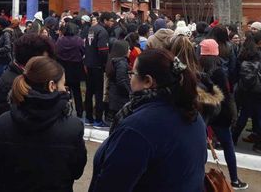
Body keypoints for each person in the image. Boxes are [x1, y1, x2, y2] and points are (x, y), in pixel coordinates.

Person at [89, 48, 207, 192]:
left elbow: (111, 185)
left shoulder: (137, 128)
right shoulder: (192, 114)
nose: (130, 78)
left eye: (132, 73)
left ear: (147, 81)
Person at [0, 56, 87, 191]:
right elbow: (77, 172)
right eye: (63, 85)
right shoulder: (73, 127)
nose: (65, 90)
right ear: (52, 86)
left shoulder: (3, 123)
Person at [198, 39, 248, 189]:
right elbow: (227, 94)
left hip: (203, 112)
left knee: (200, 146)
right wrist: (233, 114)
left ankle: (199, 177)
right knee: (228, 146)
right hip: (220, 114)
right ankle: (234, 180)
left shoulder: (198, 69)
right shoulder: (219, 71)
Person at [0, 33, 55, 117]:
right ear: (30, 61)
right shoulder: (9, 83)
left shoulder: (35, 76)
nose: (47, 63)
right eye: (44, 60)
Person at [84, 12, 112, 128]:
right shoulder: (102, 32)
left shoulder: (92, 29)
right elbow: (103, 50)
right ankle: (98, 119)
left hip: (88, 64)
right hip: (97, 65)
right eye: (110, 20)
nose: (112, 22)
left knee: (89, 92)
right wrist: (105, 63)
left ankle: (88, 117)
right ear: (105, 20)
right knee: (98, 93)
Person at [55, 21, 86, 118]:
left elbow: (56, 52)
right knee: (77, 92)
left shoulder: (60, 40)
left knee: (62, 90)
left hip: (63, 69)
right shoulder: (79, 40)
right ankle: (79, 112)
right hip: (76, 69)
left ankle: (63, 110)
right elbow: (83, 52)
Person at [105, 40, 131, 122]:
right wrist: (130, 92)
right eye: (128, 48)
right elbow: (122, 81)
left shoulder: (112, 60)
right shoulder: (121, 63)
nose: (129, 51)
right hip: (120, 98)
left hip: (114, 96)